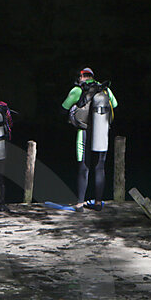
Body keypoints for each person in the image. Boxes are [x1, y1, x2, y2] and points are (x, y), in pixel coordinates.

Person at [62, 67, 117, 210]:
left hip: (84, 132)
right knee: (100, 167)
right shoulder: (104, 89)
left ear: (81, 77)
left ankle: (80, 203)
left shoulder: (78, 90)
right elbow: (115, 105)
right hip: (102, 131)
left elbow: (64, 106)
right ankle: (98, 203)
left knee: (83, 168)